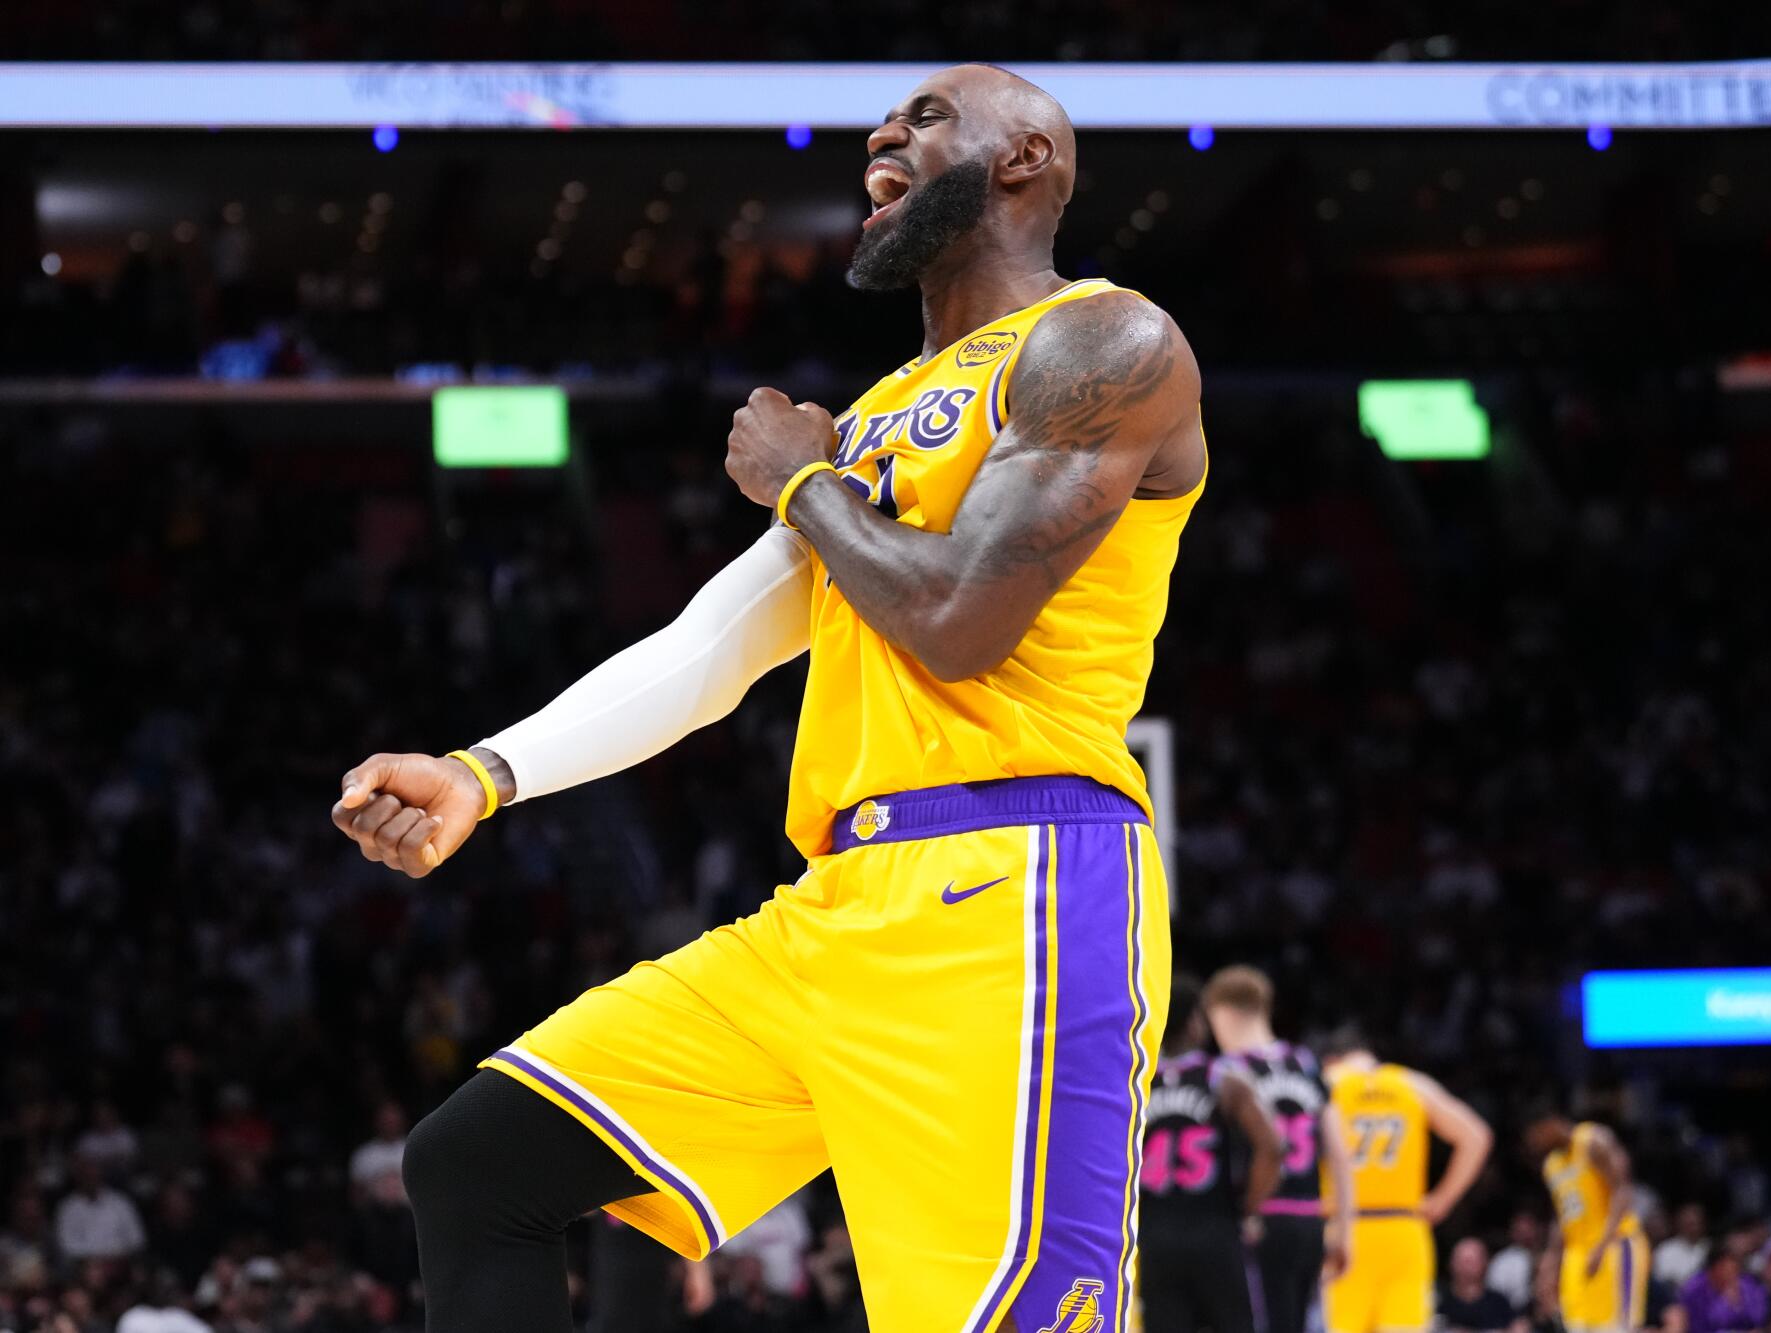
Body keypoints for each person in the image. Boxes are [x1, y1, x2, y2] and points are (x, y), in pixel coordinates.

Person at [329, 61, 1208, 1333]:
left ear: (1024, 158)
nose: (882, 130)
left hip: (1014, 898)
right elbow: (711, 646)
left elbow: (961, 622)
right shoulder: (876, 418)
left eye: (926, 116)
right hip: (832, 907)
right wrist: (483, 773)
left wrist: (804, 486)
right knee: (476, 1166)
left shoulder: (1106, 340)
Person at [1202, 965, 1353, 1333]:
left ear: (1222, 1014)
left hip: (1259, 1221)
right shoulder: (1305, 1063)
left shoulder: (1228, 1073)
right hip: (1309, 1220)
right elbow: (1340, 1153)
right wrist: (1345, 1229)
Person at [1136, 977, 1283, 1333]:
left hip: (1154, 1236)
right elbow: (1272, 1146)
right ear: (1195, 1022)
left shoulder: (1139, 1083)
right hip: (1214, 1231)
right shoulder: (1223, 1078)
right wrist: (1248, 1206)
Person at [1323, 1028, 1494, 1333]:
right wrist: (1442, 1200)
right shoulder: (1412, 1084)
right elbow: (1477, 1136)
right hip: (1405, 1230)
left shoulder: (1327, 1084)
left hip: (1345, 1231)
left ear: (1332, 1059)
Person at [1525, 1110, 1647, 1333]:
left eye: (1536, 1135)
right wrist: (1551, 1259)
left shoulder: (1593, 1141)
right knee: (1576, 1326)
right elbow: (1562, 1215)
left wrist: (1601, 1245)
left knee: (1617, 1328)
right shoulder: (1551, 1165)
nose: (1534, 1143)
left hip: (1613, 1246)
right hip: (1577, 1254)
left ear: (1552, 1123)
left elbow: (1623, 1191)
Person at [1680, 1240, 1767, 1333]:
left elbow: (1758, 1319)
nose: (1732, 1273)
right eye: (1726, 1267)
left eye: (1735, 1267)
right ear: (1714, 1267)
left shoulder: (1747, 1285)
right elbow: (1698, 1327)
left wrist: (1736, 1300)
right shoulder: (1695, 1289)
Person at [1437, 1238, 1516, 1333]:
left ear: (1485, 1263)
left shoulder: (1500, 1305)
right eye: (1461, 1260)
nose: (1465, 1267)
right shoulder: (1437, 1302)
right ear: (1450, 1263)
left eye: (1471, 1261)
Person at [1489, 1211, 1544, 1313]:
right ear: (1512, 1233)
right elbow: (1494, 1294)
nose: (1526, 1236)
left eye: (1529, 1230)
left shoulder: (1549, 1256)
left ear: (1538, 1230)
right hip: (1512, 1313)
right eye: (1521, 1231)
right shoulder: (1502, 1261)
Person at [1654, 1204, 1712, 1297]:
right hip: (1673, 1298)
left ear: (1703, 1224)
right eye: (1689, 1224)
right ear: (1679, 1224)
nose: (1692, 1229)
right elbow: (1659, 1282)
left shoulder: (1710, 1248)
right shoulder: (1665, 1249)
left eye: (1695, 1224)